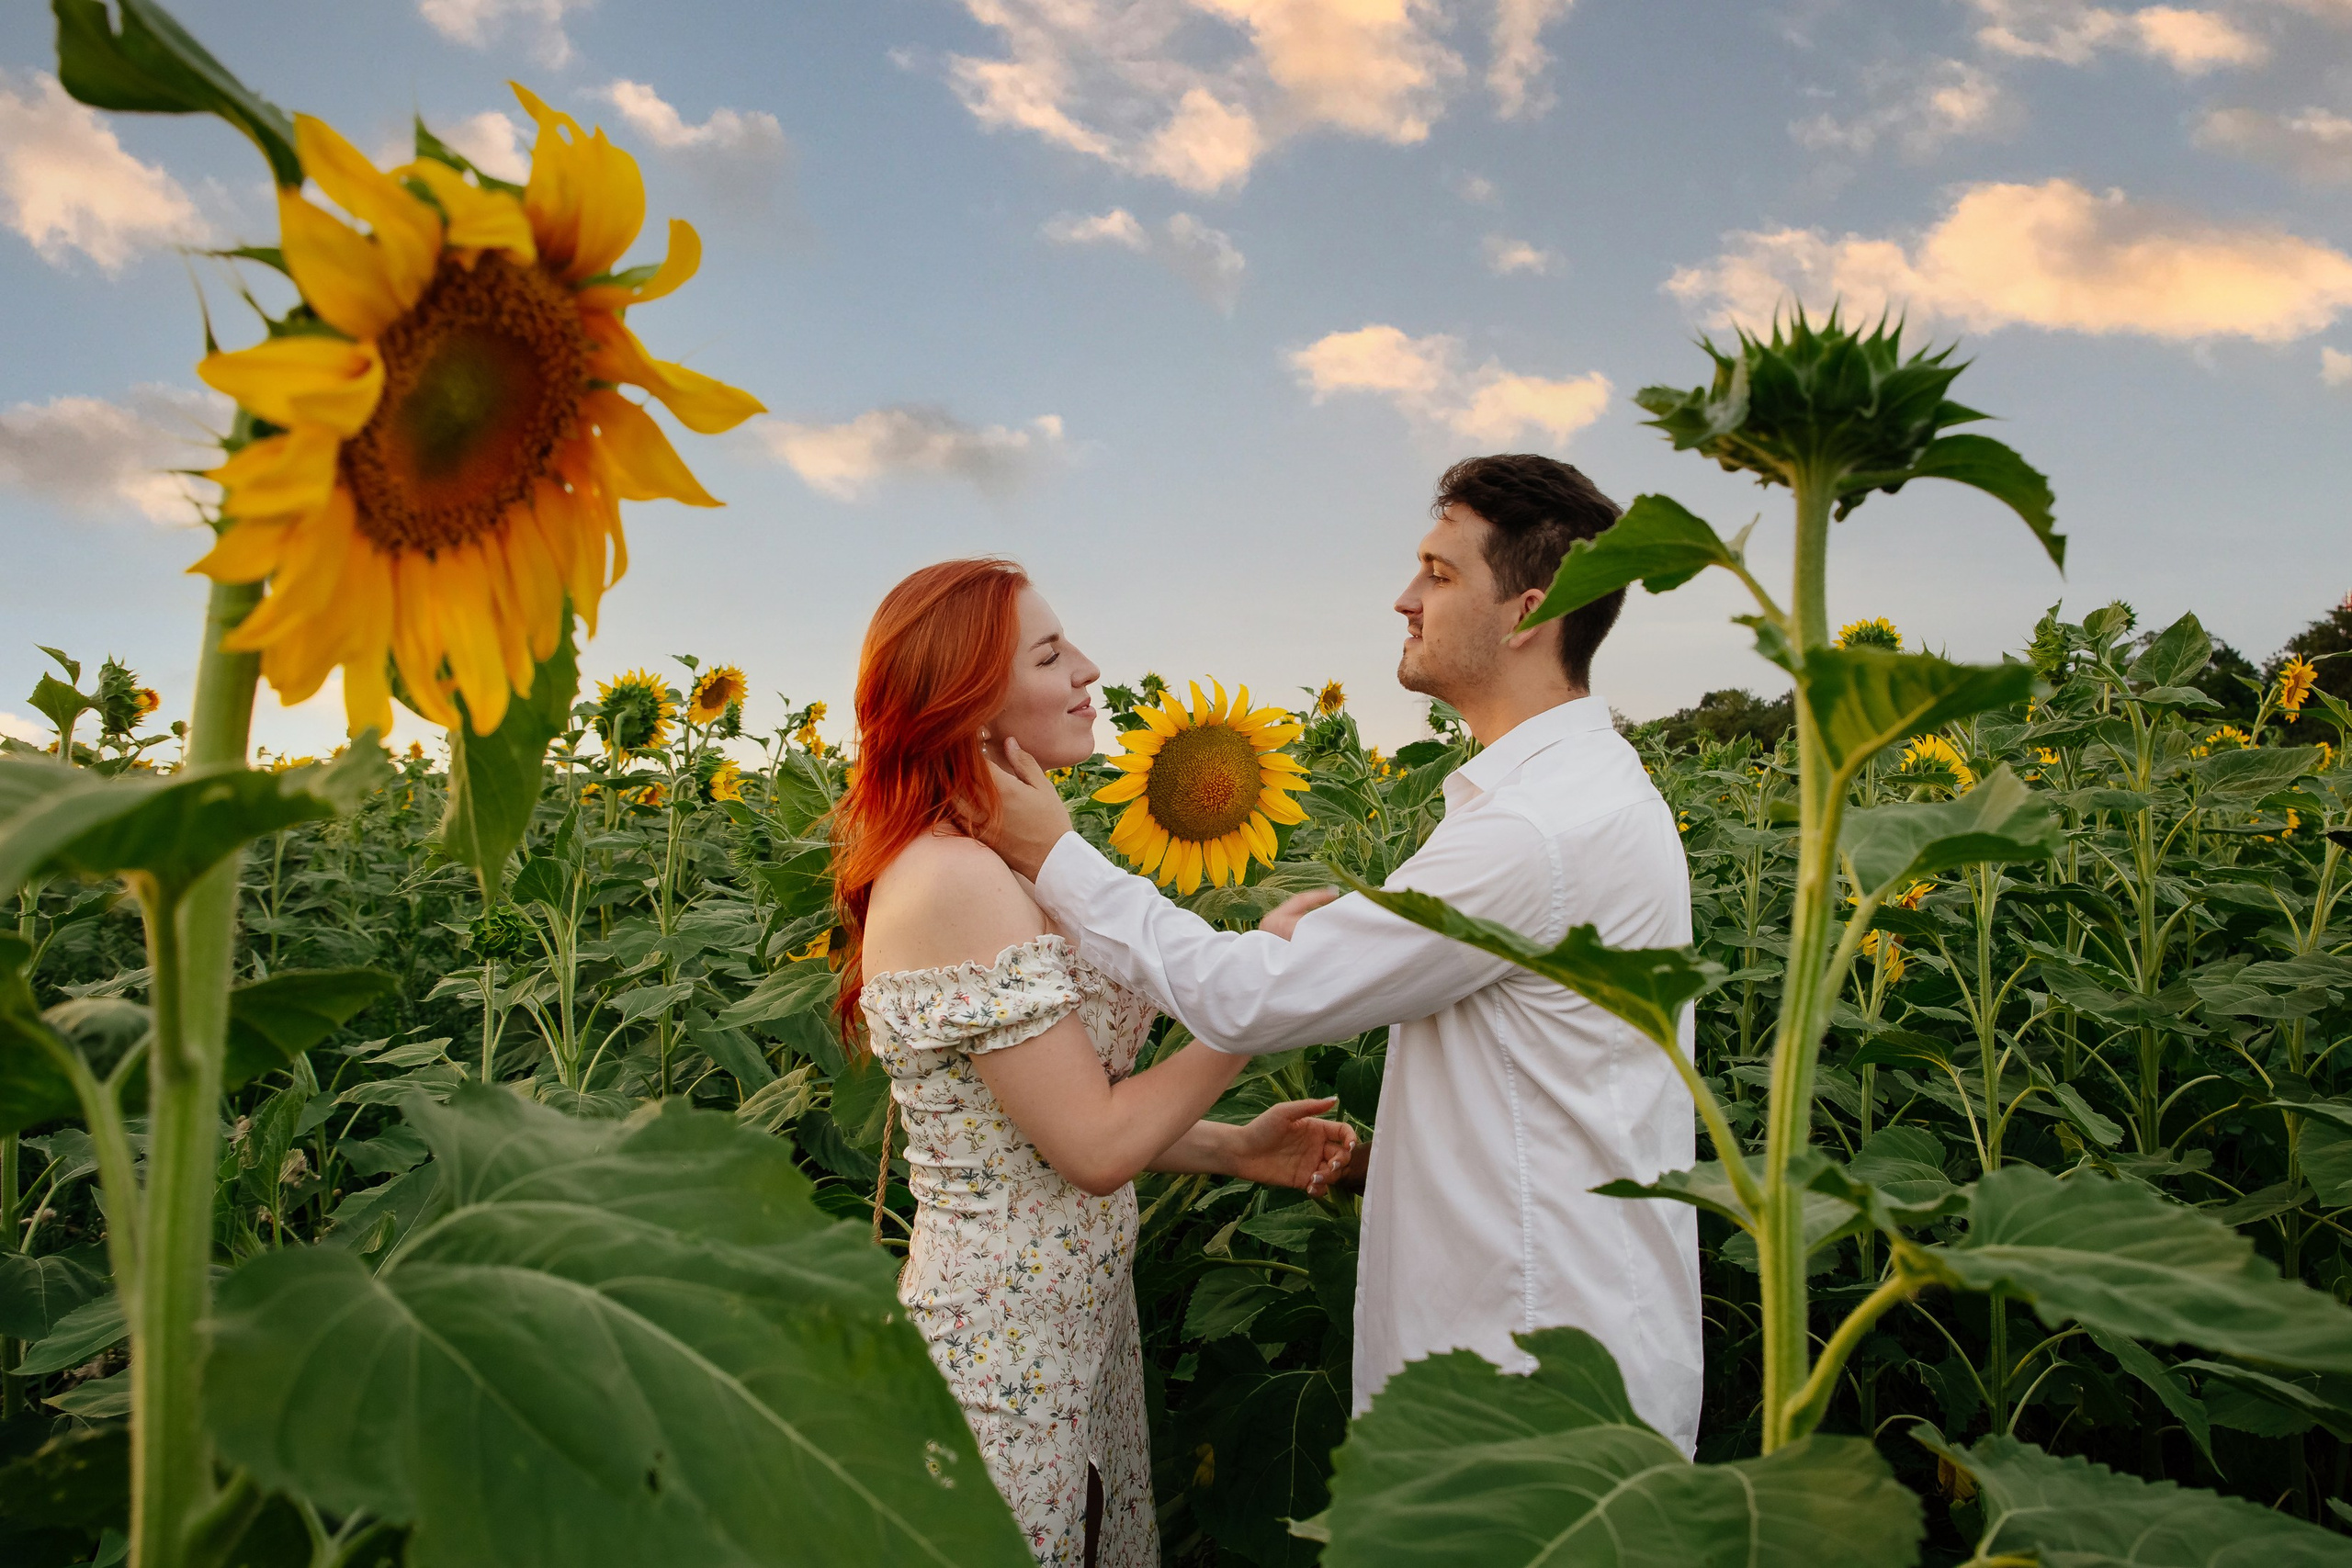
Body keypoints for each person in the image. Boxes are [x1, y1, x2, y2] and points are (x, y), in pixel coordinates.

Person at [981, 454, 1704, 1452]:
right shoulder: (1559, 798)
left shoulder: (1537, 829)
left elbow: (1254, 1000)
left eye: (1440, 575)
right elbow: (1541, 1075)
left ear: (1531, 612)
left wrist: (1053, 855)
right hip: (1542, 1346)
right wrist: (1394, 1160)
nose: (1404, 600)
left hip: (1533, 1387)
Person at [836, 558, 1357, 1568]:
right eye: (1049, 653)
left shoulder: (1011, 859)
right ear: (966, 703)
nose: (1088, 670)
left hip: (1071, 1329)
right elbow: (1090, 1143)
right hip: (997, 1346)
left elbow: (1031, 1121)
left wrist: (1232, 1150)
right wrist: (1261, 994)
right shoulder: (952, 878)